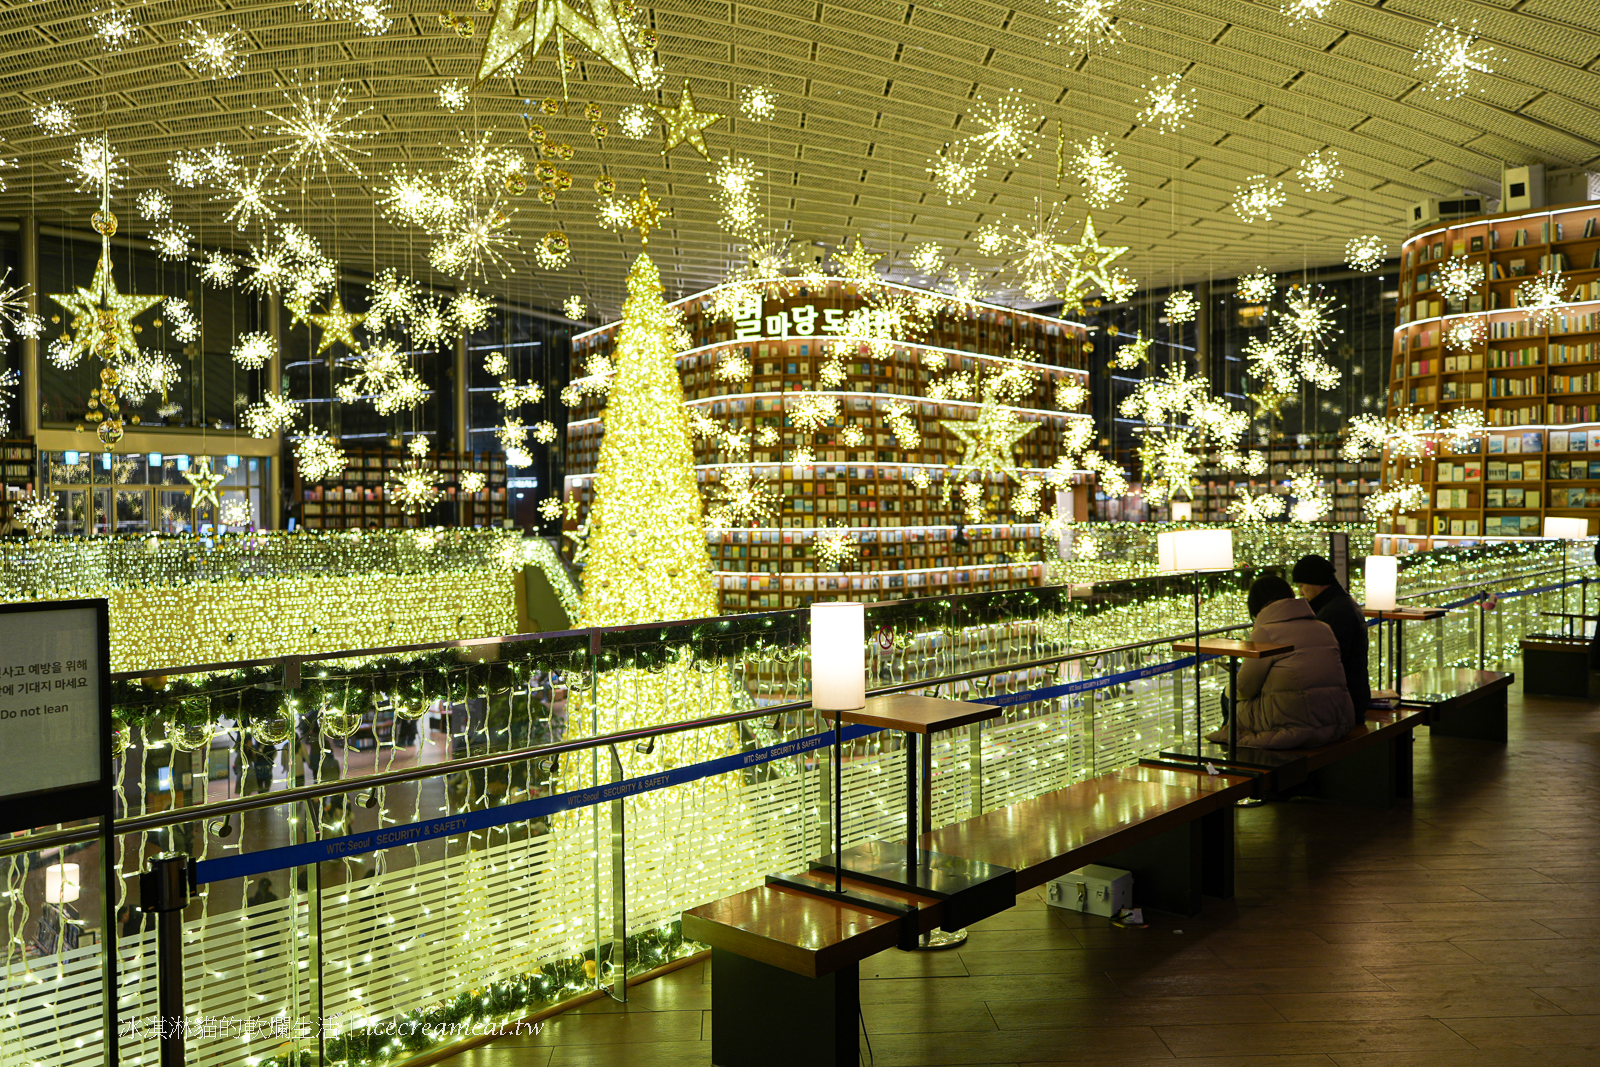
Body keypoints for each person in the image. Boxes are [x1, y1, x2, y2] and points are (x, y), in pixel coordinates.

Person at [1210, 575, 1356, 749]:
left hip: (1292, 726)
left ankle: (1230, 750)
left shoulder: (1266, 632)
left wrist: (1229, 689)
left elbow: (1244, 688)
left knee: (1229, 693)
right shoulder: (1323, 627)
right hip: (1335, 722)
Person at [1292, 553, 1372, 713]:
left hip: (1343, 702)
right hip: (1354, 695)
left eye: (1301, 586)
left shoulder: (1333, 613)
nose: (1300, 593)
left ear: (1315, 582)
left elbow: (1327, 662)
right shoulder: (1343, 603)